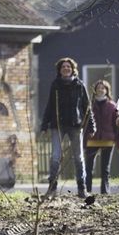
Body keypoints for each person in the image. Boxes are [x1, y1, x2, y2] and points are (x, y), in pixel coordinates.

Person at [40, 57, 95, 198]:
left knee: (78, 157)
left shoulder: (79, 85)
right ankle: (52, 188)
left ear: (73, 69)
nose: (66, 69)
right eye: (63, 67)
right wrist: (44, 124)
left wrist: (91, 126)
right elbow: (49, 106)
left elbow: (86, 107)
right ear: (59, 69)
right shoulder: (55, 85)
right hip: (57, 125)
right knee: (55, 156)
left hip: (75, 125)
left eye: (68, 67)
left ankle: (82, 188)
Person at [84, 80, 119, 194]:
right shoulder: (89, 106)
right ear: (95, 90)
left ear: (107, 91)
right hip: (92, 140)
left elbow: (118, 126)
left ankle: (105, 191)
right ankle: (87, 190)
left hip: (108, 140)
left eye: (103, 88)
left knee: (105, 169)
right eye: (98, 88)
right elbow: (85, 126)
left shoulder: (113, 106)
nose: (100, 90)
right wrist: (83, 144)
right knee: (89, 167)